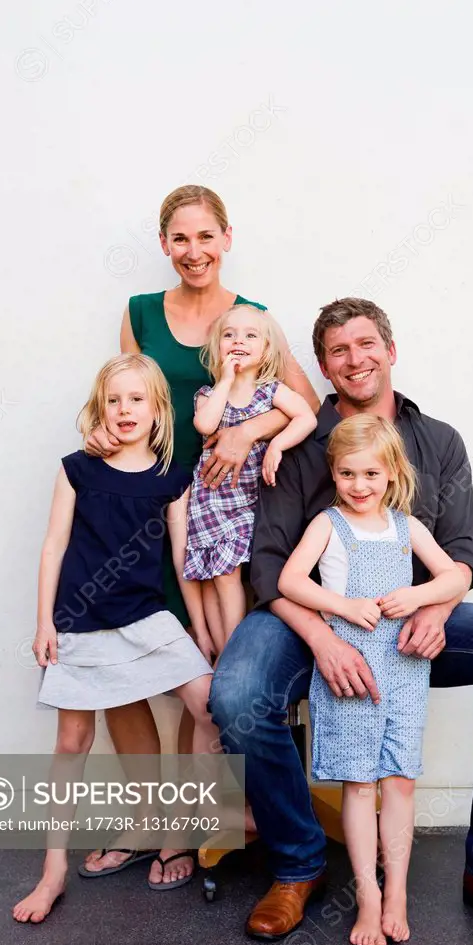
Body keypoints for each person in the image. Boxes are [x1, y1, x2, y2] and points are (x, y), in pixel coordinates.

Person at [208, 297, 473, 945]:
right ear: (322, 366)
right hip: (309, 616)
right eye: (339, 351)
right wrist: (322, 636)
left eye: (366, 344)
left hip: (407, 619)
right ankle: (297, 864)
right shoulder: (293, 443)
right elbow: (268, 567)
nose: (356, 359)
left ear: (391, 351)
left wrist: (436, 607)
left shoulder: (440, 442)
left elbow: (461, 553)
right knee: (235, 693)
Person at [82, 185, 319, 886]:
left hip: (220, 517)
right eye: (180, 239)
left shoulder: (252, 319)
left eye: (206, 237)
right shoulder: (139, 315)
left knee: (200, 664)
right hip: (140, 505)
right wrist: (101, 433)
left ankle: (184, 827)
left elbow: (301, 404)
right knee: (124, 664)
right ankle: (146, 816)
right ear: (164, 245)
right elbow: (132, 393)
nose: (194, 252)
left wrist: (247, 432)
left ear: (227, 239)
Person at [13, 354, 220, 924]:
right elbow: (54, 545)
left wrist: (199, 631)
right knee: (72, 741)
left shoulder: (173, 476)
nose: (125, 410)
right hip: (80, 620)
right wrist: (43, 622)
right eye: (115, 400)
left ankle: (178, 828)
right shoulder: (78, 468)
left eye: (137, 400)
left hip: (145, 617)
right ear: (100, 407)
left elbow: (182, 562)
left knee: (210, 704)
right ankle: (52, 871)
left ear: (158, 411)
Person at [279, 414, 468, 945]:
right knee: (359, 784)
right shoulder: (327, 524)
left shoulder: (408, 527)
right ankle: (365, 896)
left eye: (370, 474)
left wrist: (420, 596)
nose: (358, 486)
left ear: (391, 474)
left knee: (400, 781)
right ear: (333, 473)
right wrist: (342, 605)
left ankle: (397, 894)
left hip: (405, 668)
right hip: (353, 670)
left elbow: (455, 573)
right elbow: (290, 580)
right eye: (346, 474)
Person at [185, 304, 317, 654]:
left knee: (235, 576)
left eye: (250, 335)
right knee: (215, 576)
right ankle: (224, 651)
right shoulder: (208, 395)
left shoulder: (270, 390)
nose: (238, 340)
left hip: (249, 499)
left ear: (266, 350)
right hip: (213, 498)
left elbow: (307, 417)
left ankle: (234, 652)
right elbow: (205, 425)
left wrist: (277, 444)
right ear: (217, 348)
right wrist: (226, 380)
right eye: (229, 335)